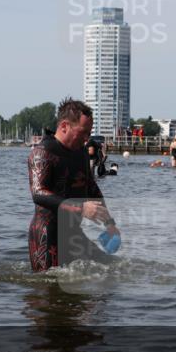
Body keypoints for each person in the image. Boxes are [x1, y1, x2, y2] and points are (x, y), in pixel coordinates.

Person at [27, 98, 119, 272]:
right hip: (47, 234)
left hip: (73, 233)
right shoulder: (42, 152)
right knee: (48, 290)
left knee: (110, 272)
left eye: (89, 134)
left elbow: (91, 188)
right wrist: (81, 208)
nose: (86, 139)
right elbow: (38, 193)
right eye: (83, 133)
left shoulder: (82, 153)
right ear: (64, 126)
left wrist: (110, 224)